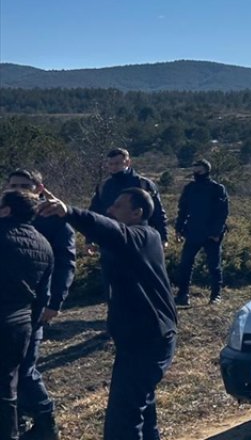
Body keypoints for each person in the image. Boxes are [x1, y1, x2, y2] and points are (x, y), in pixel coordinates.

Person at [37, 188, 177, 440]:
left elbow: (112, 231)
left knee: (122, 421)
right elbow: (107, 232)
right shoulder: (139, 238)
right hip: (142, 336)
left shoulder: (143, 235)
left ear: (137, 213)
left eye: (118, 206)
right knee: (141, 409)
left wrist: (68, 211)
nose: (110, 210)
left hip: (148, 338)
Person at [7, 171, 73, 440]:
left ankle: (47, 422)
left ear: (40, 189)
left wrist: (54, 302)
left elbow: (65, 265)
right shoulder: (6, 215)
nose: (19, 190)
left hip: (34, 307)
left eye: (25, 186)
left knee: (25, 369)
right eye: (14, 186)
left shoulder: (56, 222)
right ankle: (18, 419)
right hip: (10, 307)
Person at [1, 190, 53, 440]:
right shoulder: (44, 244)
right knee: (7, 387)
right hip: (21, 324)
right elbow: (43, 294)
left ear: (7, 210)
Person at [173, 160, 229, 307]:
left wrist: (216, 232)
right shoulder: (190, 188)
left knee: (214, 265)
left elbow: (222, 213)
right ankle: (183, 294)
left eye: (199, 170)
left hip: (211, 234)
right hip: (193, 231)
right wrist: (178, 228)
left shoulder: (217, 188)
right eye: (194, 169)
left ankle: (216, 295)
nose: (196, 172)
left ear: (206, 170)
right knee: (185, 263)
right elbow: (183, 210)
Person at [90, 149, 168, 245]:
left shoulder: (143, 184)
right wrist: (90, 239)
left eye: (117, 163)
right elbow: (95, 213)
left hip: (139, 238)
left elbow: (157, 213)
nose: (114, 167)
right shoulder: (103, 186)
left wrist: (163, 237)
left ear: (127, 162)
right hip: (111, 238)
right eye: (111, 164)